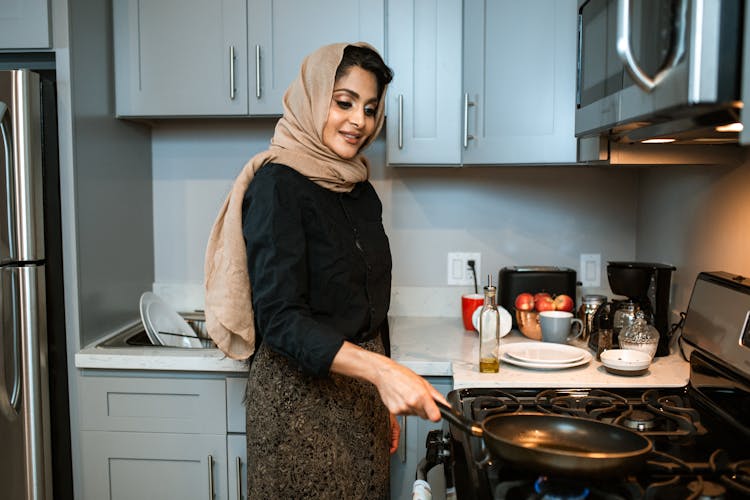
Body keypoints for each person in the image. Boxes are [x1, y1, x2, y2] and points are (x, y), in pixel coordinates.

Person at [204, 42, 447, 498]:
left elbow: (370, 304)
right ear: (314, 98)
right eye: (344, 102)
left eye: (370, 109)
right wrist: (381, 374)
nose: (359, 120)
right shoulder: (278, 185)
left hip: (360, 399)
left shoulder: (358, 188)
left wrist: (381, 396)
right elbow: (280, 319)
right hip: (299, 409)